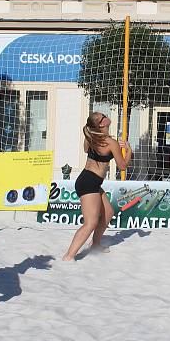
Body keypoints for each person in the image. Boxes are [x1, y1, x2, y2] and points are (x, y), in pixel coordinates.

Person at [62, 112, 132, 261]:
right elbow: (123, 166)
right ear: (101, 124)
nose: (106, 116)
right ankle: (69, 256)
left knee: (108, 212)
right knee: (90, 223)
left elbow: (86, 150)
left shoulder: (91, 137)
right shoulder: (110, 142)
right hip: (89, 182)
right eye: (103, 116)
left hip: (88, 180)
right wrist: (129, 151)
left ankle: (95, 244)